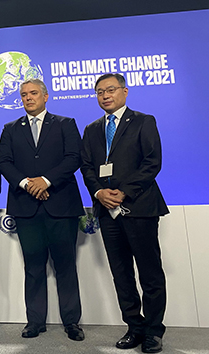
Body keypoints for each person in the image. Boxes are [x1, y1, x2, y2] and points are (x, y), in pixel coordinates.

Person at [81, 73, 168, 353]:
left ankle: (154, 331)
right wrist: (99, 192)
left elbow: (152, 162)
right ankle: (134, 326)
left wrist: (124, 192)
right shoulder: (92, 128)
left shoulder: (144, 121)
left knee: (149, 272)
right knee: (121, 274)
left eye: (110, 90)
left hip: (139, 207)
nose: (104, 96)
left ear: (124, 91)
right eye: (99, 92)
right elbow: (87, 167)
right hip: (107, 211)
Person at [0, 79, 85, 341]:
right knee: (33, 267)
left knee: (65, 266)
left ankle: (72, 322)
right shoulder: (10, 129)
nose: (28, 98)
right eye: (24, 95)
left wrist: (45, 181)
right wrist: (27, 184)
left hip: (60, 205)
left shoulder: (65, 124)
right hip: (26, 208)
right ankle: (35, 321)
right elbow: (3, 161)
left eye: (33, 93)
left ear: (46, 96)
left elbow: (74, 157)